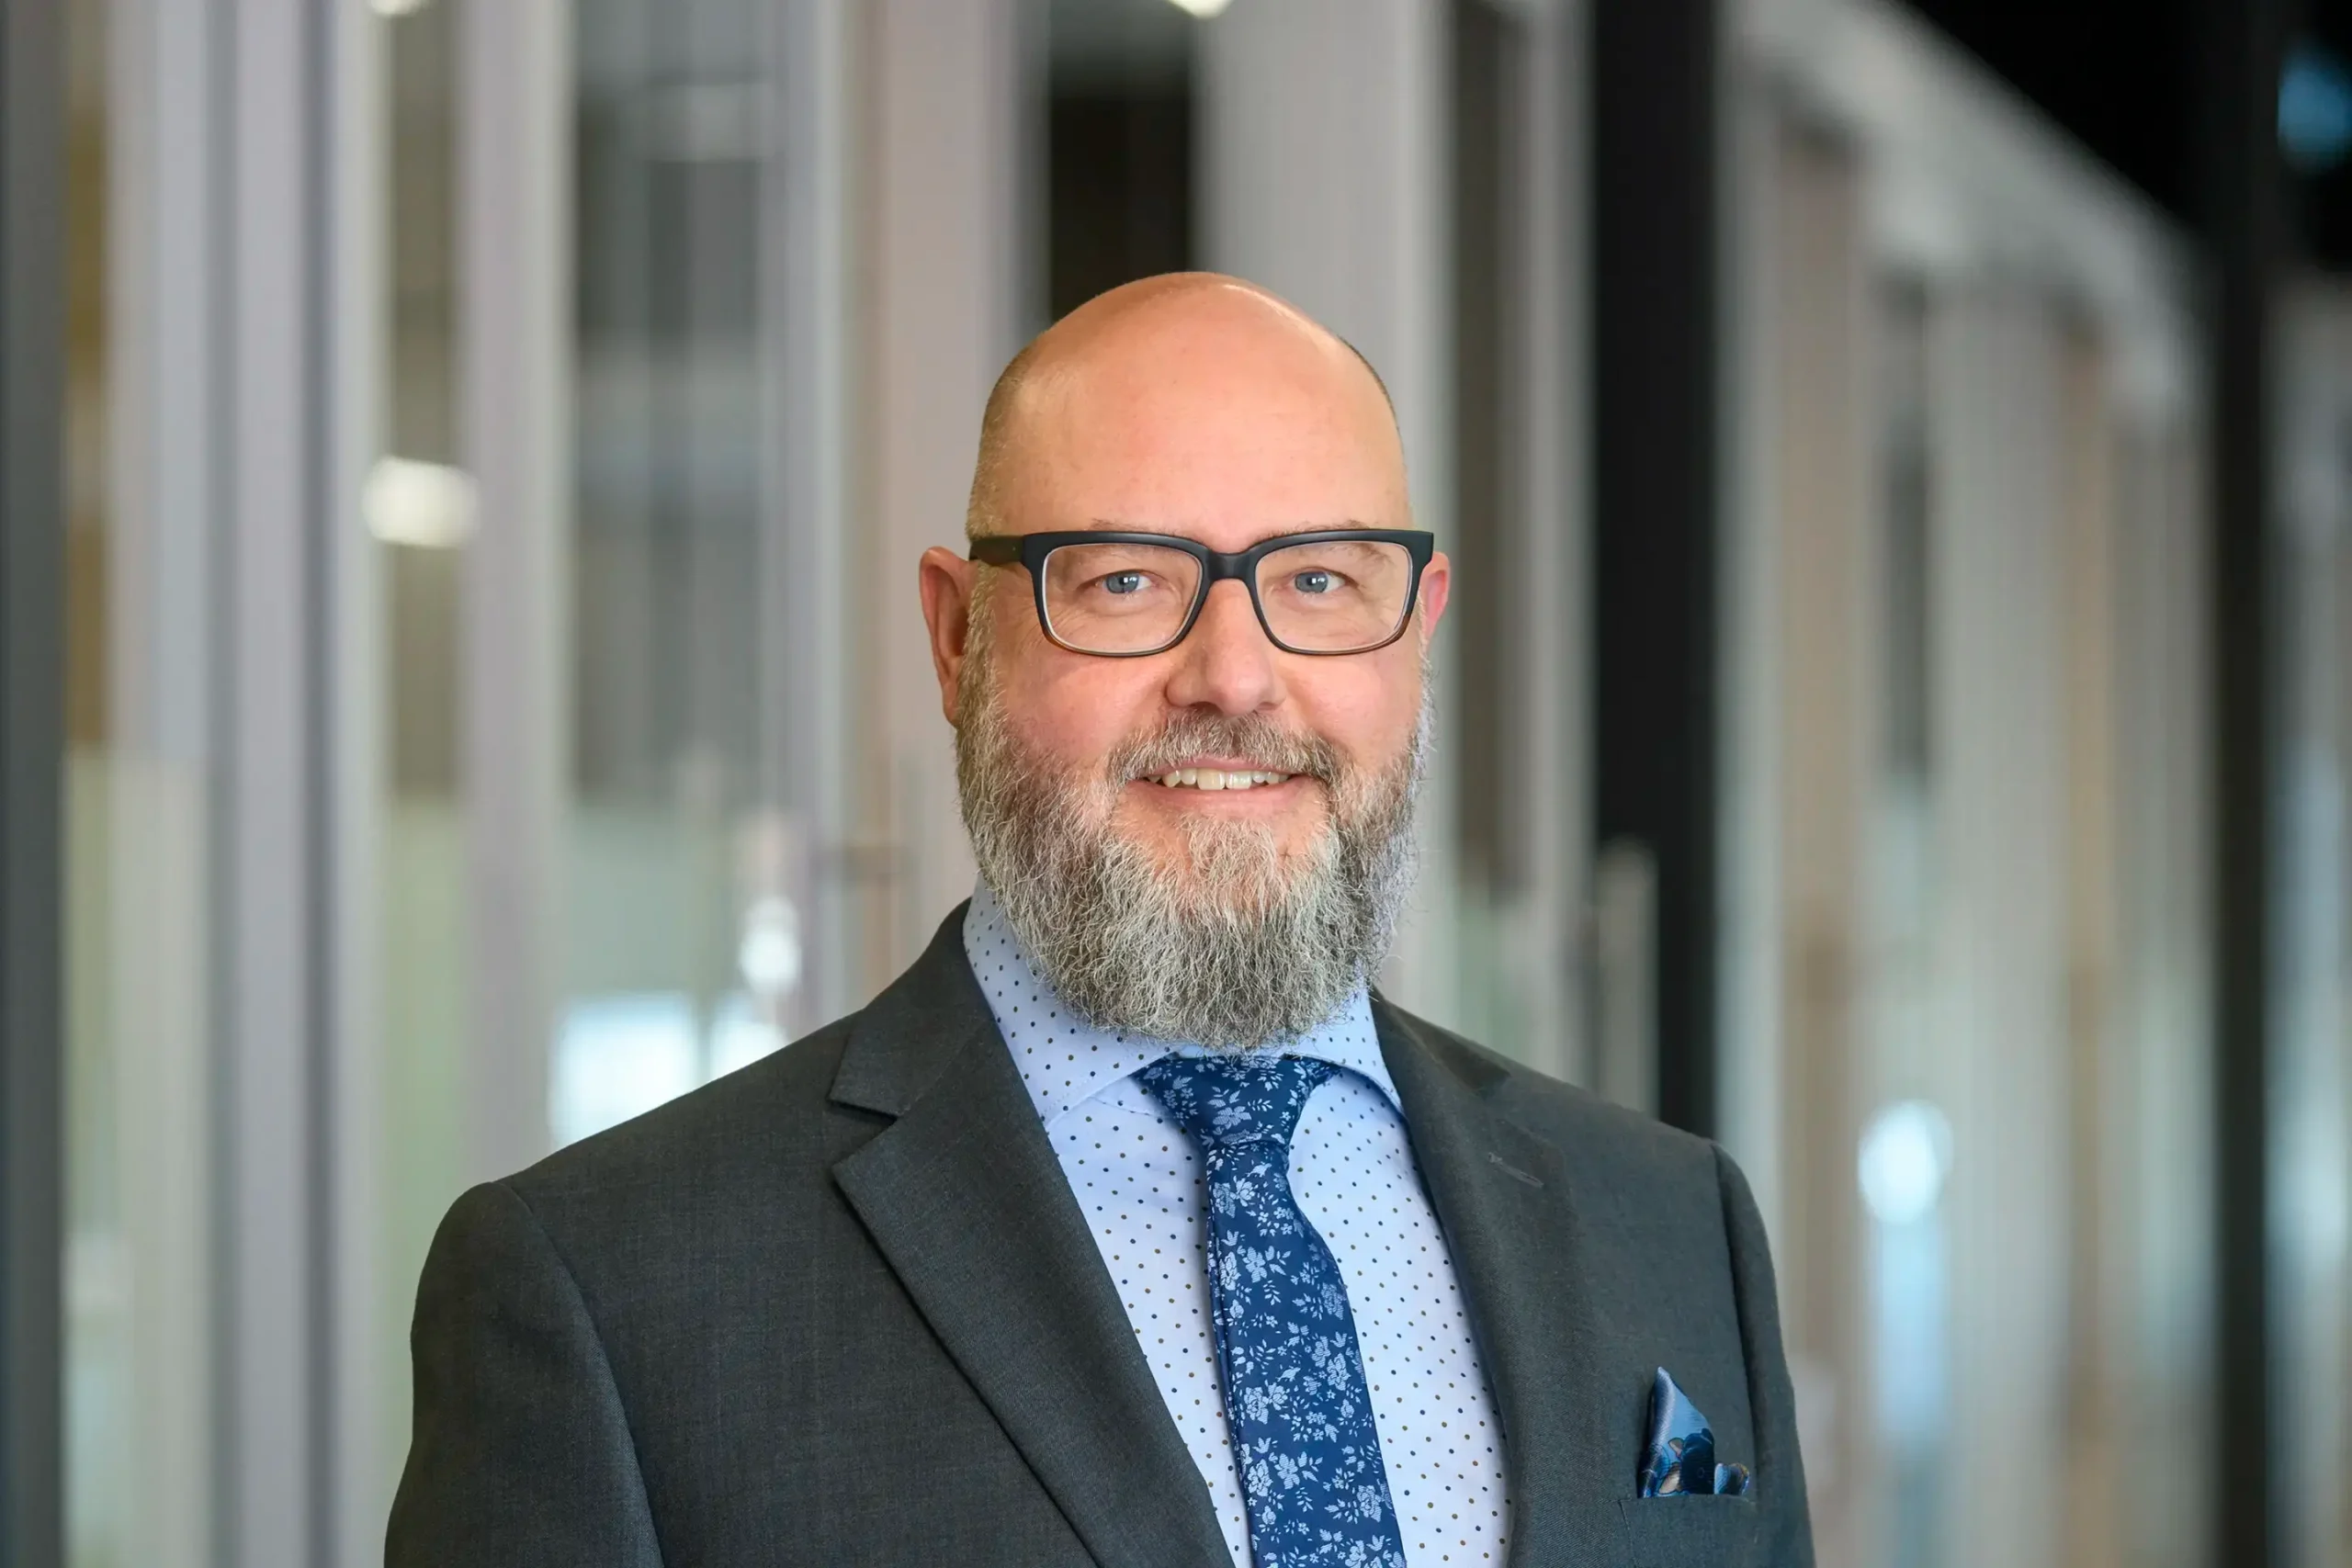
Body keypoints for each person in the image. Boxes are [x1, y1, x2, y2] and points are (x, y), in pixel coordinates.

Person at [387, 274, 1813, 1567]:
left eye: (1321, 580)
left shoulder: (1674, 1223)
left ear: (1418, 628)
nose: (1236, 678)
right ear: (960, 639)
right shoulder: (614, 1296)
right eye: (1127, 581)